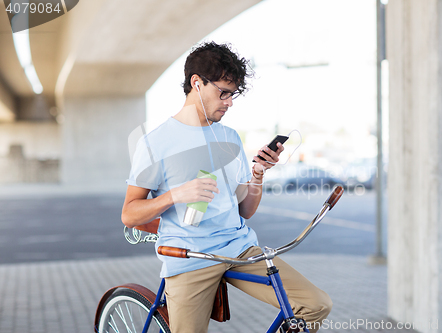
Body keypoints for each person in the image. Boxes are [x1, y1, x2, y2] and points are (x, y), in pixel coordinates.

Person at [122, 41, 332, 333]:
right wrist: (176, 195)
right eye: (223, 92)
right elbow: (130, 214)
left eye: (232, 95)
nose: (229, 102)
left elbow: (244, 210)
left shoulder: (230, 138)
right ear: (196, 84)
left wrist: (257, 174)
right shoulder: (155, 143)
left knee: (316, 304)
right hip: (190, 255)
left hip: (239, 249)